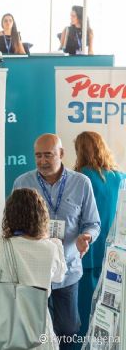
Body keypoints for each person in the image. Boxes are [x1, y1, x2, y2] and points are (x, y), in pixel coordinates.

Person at [13, 133, 100, 348]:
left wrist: (87, 236)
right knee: (36, 330)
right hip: (32, 273)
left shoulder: (81, 183)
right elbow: (12, 225)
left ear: (61, 154)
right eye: (38, 156)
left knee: (68, 328)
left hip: (67, 270)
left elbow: (93, 223)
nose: (42, 161)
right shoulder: (23, 183)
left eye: (48, 155)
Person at [0, 188, 67, 350]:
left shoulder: (2, 246)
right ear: (41, 216)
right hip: (38, 323)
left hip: (6, 323)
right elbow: (59, 277)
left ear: (10, 215)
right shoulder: (52, 248)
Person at [74, 131, 125, 336]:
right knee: (111, 311)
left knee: (84, 310)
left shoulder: (79, 178)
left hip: (86, 253)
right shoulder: (121, 178)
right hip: (115, 256)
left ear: (80, 150)